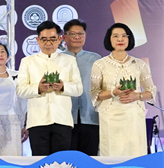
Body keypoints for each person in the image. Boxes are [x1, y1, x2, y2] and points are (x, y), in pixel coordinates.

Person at [16, 21, 83, 156]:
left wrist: (63, 86)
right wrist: (38, 88)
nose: (48, 43)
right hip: (37, 121)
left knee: (62, 162)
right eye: (44, 39)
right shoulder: (27, 61)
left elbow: (78, 89)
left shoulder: (69, 60)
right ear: (38, 40)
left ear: (59, 39)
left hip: (62, 120)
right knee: (40, 162)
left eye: (52, 39)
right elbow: (20, 90)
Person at [89, 23, 157, 157]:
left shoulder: (139, 64)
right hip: (110, 116)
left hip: (134, 116)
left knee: (135, 153)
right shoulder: (100, 64)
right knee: (111, 153)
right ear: (109, 39)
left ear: (129, 39)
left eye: (124, 36)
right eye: (115, 36)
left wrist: (137, 96)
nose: (120, 39)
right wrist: (113, 93)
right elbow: (94, 93)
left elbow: (151, 91)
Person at [62, 19, 101, 156]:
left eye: (80, 34)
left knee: (90, 159)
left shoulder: (96, 59)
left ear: (85, 36)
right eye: (72, 34)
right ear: (64, 37)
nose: (77, 37)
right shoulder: (58, 59)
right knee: (67, 161)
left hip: (91, 117)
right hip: (64, 119)